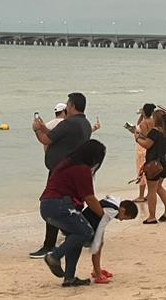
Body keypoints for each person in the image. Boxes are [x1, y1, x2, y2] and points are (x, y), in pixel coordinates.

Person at [29, 94, 93, 258]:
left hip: (61, 172)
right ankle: (76, 235)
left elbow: (46, 140)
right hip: (74, 170)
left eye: (67, 104)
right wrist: (44, 127)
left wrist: (37, 129)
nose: (66, 107)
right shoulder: (84, 123)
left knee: (52, 202)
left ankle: (49, 245)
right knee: (69, 205)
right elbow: (57, 135)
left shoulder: (69, 123)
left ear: (72, 106)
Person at [40, 139, 108, 287]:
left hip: (47, 205)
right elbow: (89, 197)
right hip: (60, 205)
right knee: (86, 232)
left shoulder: (67, 163)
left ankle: (69, 278)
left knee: (75, 235)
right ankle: (54, 256)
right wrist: (104, 215)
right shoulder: (82, 169)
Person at [84, 195, 139, 284]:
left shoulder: (114, 202)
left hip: (90, 220)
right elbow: (101, 225)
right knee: (98, 246)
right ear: (123, 210)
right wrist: (96, 244)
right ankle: (98, 274)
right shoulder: (112, 211)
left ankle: (96, 270)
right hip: (89, 225)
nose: (121, 220)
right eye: (124, 218)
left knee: (100, 244)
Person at [133, 110, 166, 224]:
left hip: (153, 164)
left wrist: (137, 138)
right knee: (159, 187)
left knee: (151, 190)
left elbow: (147, 144)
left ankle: (151, 216)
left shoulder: (154, 132)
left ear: (155, 119)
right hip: (165, 162)